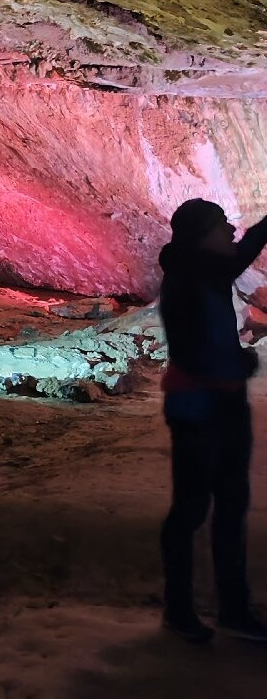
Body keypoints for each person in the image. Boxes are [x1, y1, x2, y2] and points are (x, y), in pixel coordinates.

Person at [159, 198, 267, 643]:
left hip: (222, 405)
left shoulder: (205, 268)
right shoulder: (188, 278)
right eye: (223, 225)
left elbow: (245, 249)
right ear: (203, 234)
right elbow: (191, 351)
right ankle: (180, 610)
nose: (232, 231)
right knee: (192, 509)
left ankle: (233, 609)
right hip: (198, 409)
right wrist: (236, 365)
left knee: (230, 506)